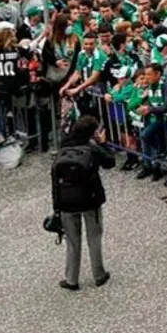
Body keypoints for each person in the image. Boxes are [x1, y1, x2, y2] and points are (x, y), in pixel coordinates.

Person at [51, 115, 115, 291]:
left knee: (72, 241)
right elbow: (110, 162)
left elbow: (55, 178)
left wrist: (56, 206)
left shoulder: (64, 147)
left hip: (66, 201)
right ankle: (99, 274)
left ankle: (71, 279)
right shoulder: (92, 149)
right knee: (94, 238)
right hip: (90, 198)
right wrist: (102, 143)